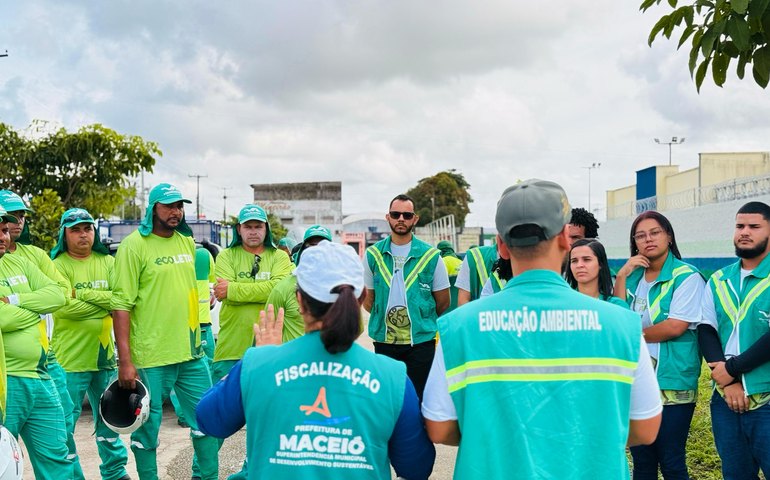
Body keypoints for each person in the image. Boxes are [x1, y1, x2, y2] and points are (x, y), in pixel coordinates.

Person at [422, 179, 662, 479]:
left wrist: (498, 441)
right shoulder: (621, 324)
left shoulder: (459, 327)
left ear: (501, 247)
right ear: (565, 239)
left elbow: (439, 426)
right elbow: (646, 426)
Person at [196, 240, 436, 479]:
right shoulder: (392, 376)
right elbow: (416, 467)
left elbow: (209, 420)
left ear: (300, 300)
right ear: (361, 297)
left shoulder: (259, 365)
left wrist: (260, 358)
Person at [111, 183, 218, 479]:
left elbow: (184, 292)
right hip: (151, 356)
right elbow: (121, 306)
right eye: (168, 206)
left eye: (179, 206)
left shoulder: (186, 242)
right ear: (152, 209)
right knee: (147, 430)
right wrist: (125, 360)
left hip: (191, 353)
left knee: (208, 421)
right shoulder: (134, 246)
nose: (176, 212)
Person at [613, 210, 704, 480]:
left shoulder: (687, 277)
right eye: (640, 235)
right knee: (642, 462)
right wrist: (620, 277)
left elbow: (674, 326)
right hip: (637, 379)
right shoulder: (631, 278)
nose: (647, 239)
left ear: (669, 236)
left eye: (654, 233)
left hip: (672, 382)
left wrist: (630, 337)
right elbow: (618, 316)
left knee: (671, 460)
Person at [0, 190, 79, 475]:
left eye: (5, 229)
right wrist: (36, 311)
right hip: (6, 384)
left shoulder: (19, 261)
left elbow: (58, 296)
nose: (4, 236)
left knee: (58, 459)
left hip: (40, 376)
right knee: (4, 465)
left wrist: (17, 301)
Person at [50, 208, 130, 480]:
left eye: (87, 228)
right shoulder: (57, 265)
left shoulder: (107, 262)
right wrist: (104, 305)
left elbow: (120, 299)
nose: (83, 234)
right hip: (69, 361)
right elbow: (63, 308)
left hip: (105, 359)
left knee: (110, 420)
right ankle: (72, 476)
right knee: (64, 425)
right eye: (75, 230)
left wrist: (82, 293)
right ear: (64, 234)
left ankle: (115, 473)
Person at [699, 201, 770, 478]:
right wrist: (726, 382)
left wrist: (730, 371)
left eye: (754, 226)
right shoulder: (718, 279)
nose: (745, 232)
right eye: (740, 226)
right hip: (726, 401)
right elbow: (706, 330)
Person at [363, 194, 450, 401]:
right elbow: (368, 301)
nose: (401, 218)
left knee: (420, 399)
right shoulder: (372, 255)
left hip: (421, 345)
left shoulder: (432, 257)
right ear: (388, 217)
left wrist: (421, 318)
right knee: (387, 400)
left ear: (415, 219)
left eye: (406, 215)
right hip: (384, 342)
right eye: (396, 214)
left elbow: (443, 302)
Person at [212, 204, 293, 381]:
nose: (253, 231)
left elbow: (278, 289)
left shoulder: (279, 256)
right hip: (230, 349)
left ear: (266, 229)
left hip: (270, 349)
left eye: (258, 226)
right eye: (248, 227)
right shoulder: (226, 256)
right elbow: (223, 294)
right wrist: (265, 290)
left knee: (264, 406)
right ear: (239, 229)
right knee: (228, 407)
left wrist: (232, 289)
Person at [266, 224, 332, 342]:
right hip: (293, 360)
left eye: (323, 245)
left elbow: (355, 327)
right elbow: (268, 329)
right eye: (312, 246)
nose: (317, 250)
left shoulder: (340, 288)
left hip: (328, 359)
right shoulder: (283, 288)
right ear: (303, 250)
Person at [565, 238, 627, 308]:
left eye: (586, 259)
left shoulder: (616, 305)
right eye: (574, 261)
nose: (579, 265)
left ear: (600, 264)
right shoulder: (562, 303)